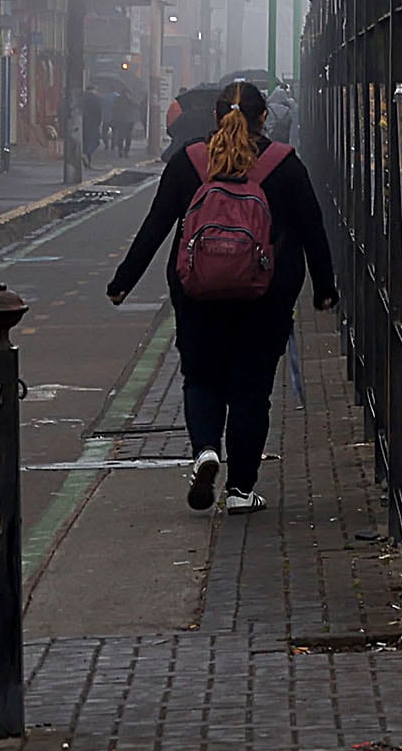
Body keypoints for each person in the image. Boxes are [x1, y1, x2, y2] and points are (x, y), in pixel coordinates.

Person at [106, 77, 337, 515]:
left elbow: (156, 226)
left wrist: (123, 281)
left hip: (198, 294)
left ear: (215, 117)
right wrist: (325, 289)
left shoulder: (189, 162)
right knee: (251, 390)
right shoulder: (285, 166)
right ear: (264, 118)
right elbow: (313, 230)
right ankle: (241, 490)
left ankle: (206, 451)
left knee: (202, 378)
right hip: (266, 297)